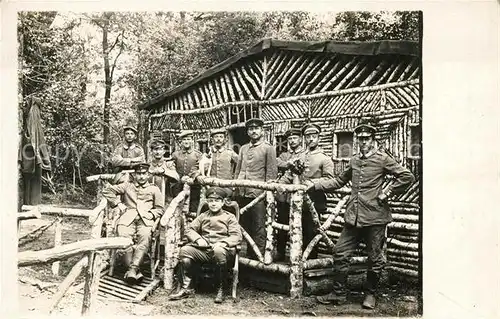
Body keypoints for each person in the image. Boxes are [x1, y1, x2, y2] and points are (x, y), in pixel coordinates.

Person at [307, 124, 415, 309]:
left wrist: (387, 192)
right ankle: (338, 294)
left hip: (375, 217)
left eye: (366, 138)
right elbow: (339, 180)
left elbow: (407, 176)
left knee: (375, 258)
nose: (363, 142)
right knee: (340, 253)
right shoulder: (355, 160)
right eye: (360, 139)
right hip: (353, 217)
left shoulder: (383, 159)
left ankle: (371, 294)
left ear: (373, 140)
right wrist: (315, 185)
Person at [169, 187, 242, 303]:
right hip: (204, 250)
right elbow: (189, 230)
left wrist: (223, 243)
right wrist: (198, 239)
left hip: (223, 251)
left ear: (223, 202)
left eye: (217, 201)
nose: (213, 204)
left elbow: (236, 236)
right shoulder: (203, 216)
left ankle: (221, 289)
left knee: (218, 251)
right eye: (211, 201)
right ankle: (187, 288)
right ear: (207, 202)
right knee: (184, 251)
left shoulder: (229, 217)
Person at [278, 124, 335, 260]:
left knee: (311, 231)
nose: (311, 139)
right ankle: (299, 260)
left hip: (314, 200)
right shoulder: (300, 156)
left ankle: (311, 261)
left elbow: (330, 180)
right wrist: (277, 185)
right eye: (308, 137)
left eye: (313, 137)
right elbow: (290, 175)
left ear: (318, 138)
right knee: (298, 231)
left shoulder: (324, 158)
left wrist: (314, 183)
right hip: (299, 202)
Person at [102, 162, 164, 284]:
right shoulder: (127, 186)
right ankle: (134, 270)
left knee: (145, 237)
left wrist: (151, 215)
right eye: (139, 174)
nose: (141, 176)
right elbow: (107, 191)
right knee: (124, 238)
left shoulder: (154, 189)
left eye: (144, 174)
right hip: (127, 219)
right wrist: (118, 203)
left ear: (148, 174)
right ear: (135, 175)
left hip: (145, 220)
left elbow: (160, 209)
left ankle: (132, 269)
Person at [234, 118, 278, 259]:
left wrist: (267, 193)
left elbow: (271, 173)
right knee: (244, 224)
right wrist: (236, 186)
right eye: (250, 129)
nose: (253, 131)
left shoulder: (268, 148)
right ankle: (247, 254)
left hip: (258, 194)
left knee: (258, 226)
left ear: (262, 131)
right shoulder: (243, 148)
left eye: (256, 128)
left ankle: (258, 256)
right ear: (247, 132)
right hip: (243, 191)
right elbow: (238, 169)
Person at [274, 128, 304, 261]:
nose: (292, 141)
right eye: (290, 139)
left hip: (298, 197)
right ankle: (280, 252)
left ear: (300, 139)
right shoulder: (284, 155)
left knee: (300, 224)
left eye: (295, 138)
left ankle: (300, 254)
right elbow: (276, 162)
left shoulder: (305, 154)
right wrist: (288, 164)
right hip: (283, 198)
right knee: (282, 223)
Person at [171, 130, 203, 213]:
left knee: (194, 206)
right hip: (178, 184)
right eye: (184, 140)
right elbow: (172, 168)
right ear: (180, 142)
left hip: (194, 184)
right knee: (177, 205)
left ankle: (192, 221)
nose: (186, 142)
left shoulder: (198, 154)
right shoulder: (175, 154)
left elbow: (200, 168)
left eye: (188, 139)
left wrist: (191, 177)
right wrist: (179, 178)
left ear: (192, 140)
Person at [206, 128, 239, 196]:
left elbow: (240, 165)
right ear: (212, 139)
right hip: (211, 187)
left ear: (224, 139)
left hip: (226, 187)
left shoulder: (230, 153)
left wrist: (235, 181)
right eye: (216, 137)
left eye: (221, 137)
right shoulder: (208, 153)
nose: (218, 139)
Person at [148, 139, 179, 204]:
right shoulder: (148, 165)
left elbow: (176, 177)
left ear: (164, 151)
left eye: (160, 149)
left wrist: (164, 172)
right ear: (151, 151)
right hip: (150, 199)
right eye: (155, 149)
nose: (158, 152)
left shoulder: (168, 164)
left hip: (166, 199)